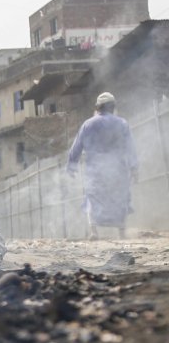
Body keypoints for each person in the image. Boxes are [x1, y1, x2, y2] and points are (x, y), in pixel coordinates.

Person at [67, 92, 138, 240]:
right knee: (120, 198)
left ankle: (94, 232)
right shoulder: (122, 124)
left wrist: (72, 165)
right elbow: (130, 147)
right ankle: (121, 232)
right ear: (113, 107)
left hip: (95, 171)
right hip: (118, 170)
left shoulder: (88, 124)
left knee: (93, 197)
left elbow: (76, 147)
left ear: (97, 108)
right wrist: (134, 167)